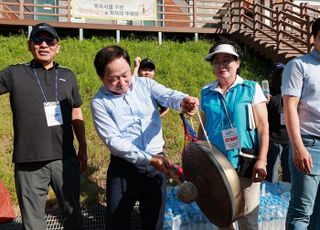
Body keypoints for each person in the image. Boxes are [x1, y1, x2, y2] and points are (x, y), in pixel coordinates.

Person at [90, 45, 198, 230]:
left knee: (154, 218)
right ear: (102, 77)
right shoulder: (99, 103)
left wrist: (183, 101)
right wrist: (149, 159)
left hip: (158, 165)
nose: (122, 82)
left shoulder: (145, 84)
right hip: (123, 168)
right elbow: (114, 142)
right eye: (113, 79)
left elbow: (168, 96)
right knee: (118, 220)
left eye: (125, 75)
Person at [0, 23, 87, 230]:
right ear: (30, 45)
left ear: (58, 46)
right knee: (33, 223)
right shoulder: (15, 73)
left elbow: (76, 111)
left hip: (65, 158)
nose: (44, 45)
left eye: (50, 40)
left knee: (74, 214)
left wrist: (83, 146)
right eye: (38, 40)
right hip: (28, 161)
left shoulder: (68, 75)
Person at [198, 39, 269, 229]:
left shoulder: (252, 88)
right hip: (216, 165)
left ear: (237, 63)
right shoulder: (206, 92)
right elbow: (202, 129)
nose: (221, 65)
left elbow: (263, 127)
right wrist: (198, 159)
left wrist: (262, 160)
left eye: (226, 60)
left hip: (245, 162)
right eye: (217, 61)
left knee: (248, 217)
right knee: (222, 217)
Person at [282, 17, 320, 229]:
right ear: (314, 38)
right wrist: (298, 147)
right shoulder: (299, 65)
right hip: (309, 144)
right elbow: (289, 108)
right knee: (301, 211)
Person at [265, 62, 290, 183]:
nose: (280, 76)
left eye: (283, 73)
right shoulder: (267, 93)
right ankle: (270, 197)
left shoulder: (292, 91)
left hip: (290, 140)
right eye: (277, 73)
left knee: (289, 174)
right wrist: (265, 101)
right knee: (271, 174)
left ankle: (288, 199)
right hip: (273, 139)